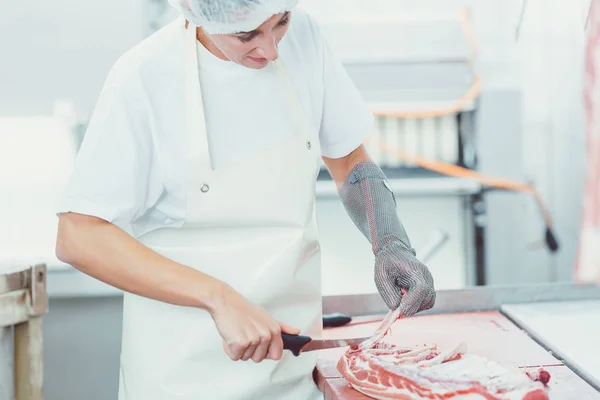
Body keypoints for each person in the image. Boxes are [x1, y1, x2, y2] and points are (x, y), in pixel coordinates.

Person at [55, 0, 436, 399]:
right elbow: (79, 235)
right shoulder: (143, 78)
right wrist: (218, 298)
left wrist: (390, 241)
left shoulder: (305, 38)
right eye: (246, 35)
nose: (270, 50)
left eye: (281, 22)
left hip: (294, 369)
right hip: (183, 378)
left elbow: (350, 161)